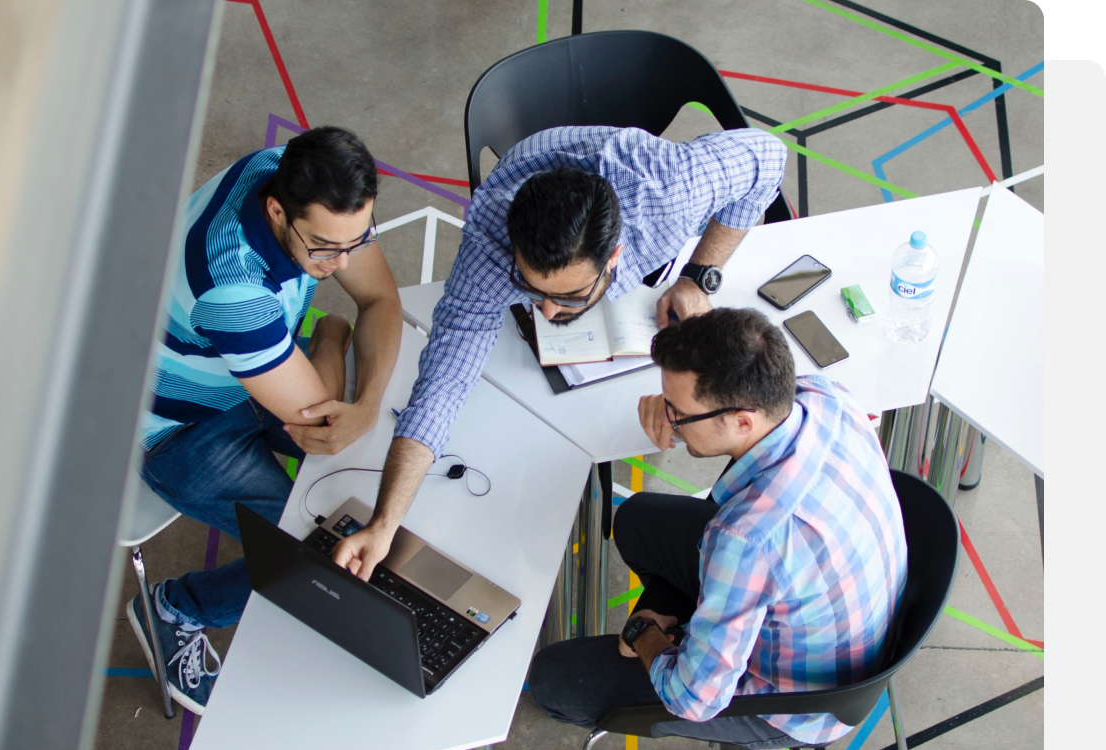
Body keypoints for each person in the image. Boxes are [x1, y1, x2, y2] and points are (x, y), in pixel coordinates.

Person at [327, 125, 788, 580]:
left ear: (614, 257)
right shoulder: (490, 243)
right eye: (530, 288)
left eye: (568, 297)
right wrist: (384, 524)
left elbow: (769, 157)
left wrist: (699, 273)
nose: (546, 312)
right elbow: (441, 386)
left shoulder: (670, 191)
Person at [529, 308, 908, 750]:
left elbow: (692, 698)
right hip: (847, 614)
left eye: (678, 413)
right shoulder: (824, 397)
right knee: (637, 520)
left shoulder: (745, 538)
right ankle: (699, 632)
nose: (670, 420)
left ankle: (751, 743)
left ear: (742, 420)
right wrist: (670, 405)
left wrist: (645, 632)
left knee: (554, 679)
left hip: (798, 701)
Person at [127, 126, 403, 714]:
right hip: (178, 428)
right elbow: (325, 423)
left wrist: (368, 404)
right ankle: (176, 608)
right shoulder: (234, 290)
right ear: (277, 211)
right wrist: (331, 336)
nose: (344, 262)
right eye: (326, 248)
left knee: (368, 462)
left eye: (359, 240)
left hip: (248, 370)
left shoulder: (293, 172)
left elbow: (380, 299)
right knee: (308, 553)